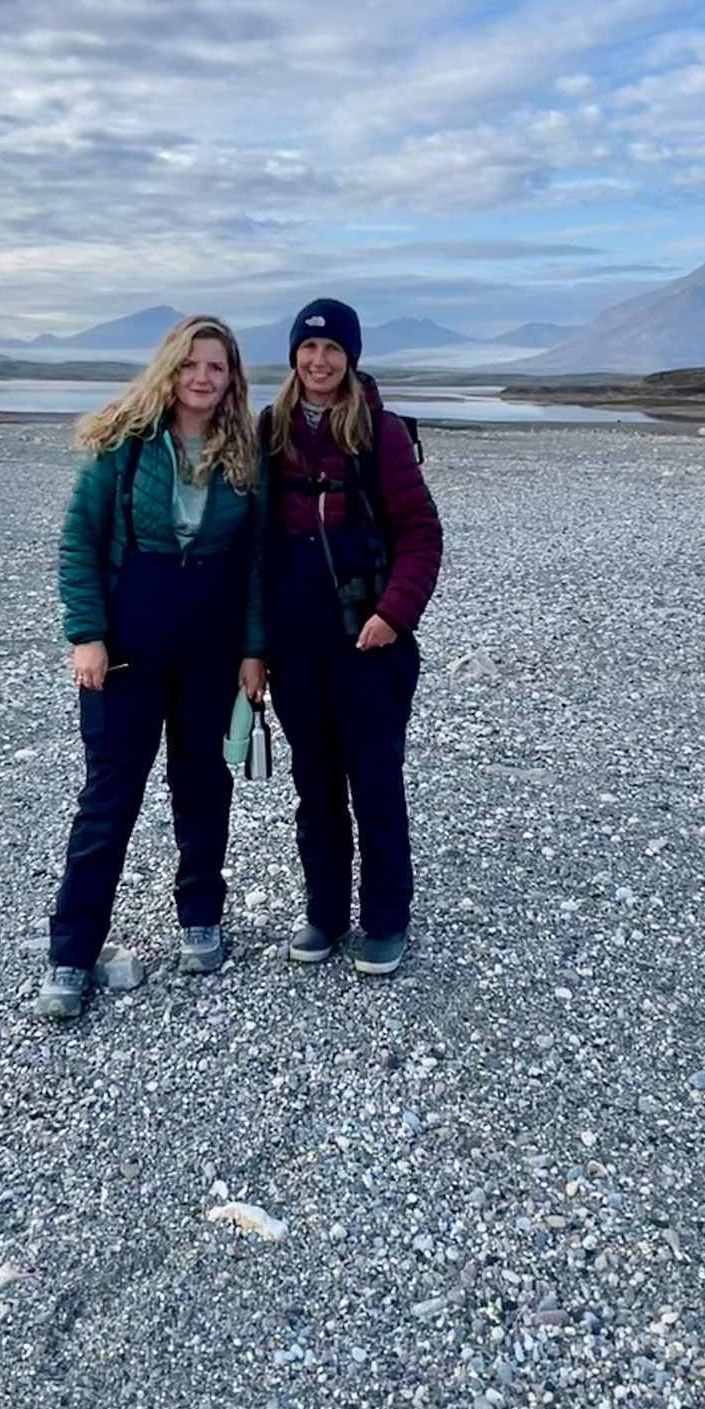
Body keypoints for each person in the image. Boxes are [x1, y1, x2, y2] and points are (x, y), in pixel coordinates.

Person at [38, 316, 267, 1019]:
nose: (203, 378)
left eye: (217, 368)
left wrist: (255, 650)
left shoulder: (244, 456)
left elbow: (256, 564)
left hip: (212, 644)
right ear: (168, 369)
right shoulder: (124, 448)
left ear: (232, 379)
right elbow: (79, 544)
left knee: (204, 785)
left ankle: (201, 918)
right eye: (191, 365)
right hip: (129, 642)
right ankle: (71, 954)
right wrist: (87, 636)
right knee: (109, 798)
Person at [261, 298, 441, 976]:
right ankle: (325, 912)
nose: (319, 360)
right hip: (296, 646)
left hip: (369, 642)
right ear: (293, 357)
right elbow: (254, 543)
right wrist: (257, 644)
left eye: (333, 349)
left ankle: (386, 918)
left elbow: (422, 535)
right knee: (315, 785)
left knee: (375, 783)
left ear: (351, 357)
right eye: (309, 349)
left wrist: (394, 614)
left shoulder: (381, 434)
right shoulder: (269, 431)